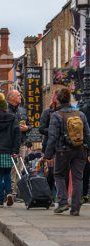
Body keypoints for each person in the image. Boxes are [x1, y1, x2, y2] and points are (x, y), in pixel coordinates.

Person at [45, 88, 90, 216]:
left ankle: (63, 202)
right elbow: (87, 134)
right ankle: (75, 208)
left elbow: (52, 137)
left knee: (58, 175)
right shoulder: (80, 114)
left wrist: (48, 155)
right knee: (78, 179)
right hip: (80, 150)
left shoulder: (56, 115)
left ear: (58, 100)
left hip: (63, 151)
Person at [39, 90, 69, 205]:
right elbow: (41, 128)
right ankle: (49, 197)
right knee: (51, 173)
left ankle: (62, 198)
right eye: (56, 96)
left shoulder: (67, 112)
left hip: (63, 146)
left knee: (63, 173)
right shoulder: (48, 112)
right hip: (50, 146)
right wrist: (53, 130)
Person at [7, 89, 31, 200]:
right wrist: (16, 130)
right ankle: (12, 193)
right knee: (13, 168)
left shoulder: (23, 110)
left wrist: (27, 128)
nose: (20, 96)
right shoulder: (7, 112)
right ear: (11, 97)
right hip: (11, 144)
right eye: (18, 95)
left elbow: (29, 125)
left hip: (22, 143)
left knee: (20, 169)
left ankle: (17, 191)